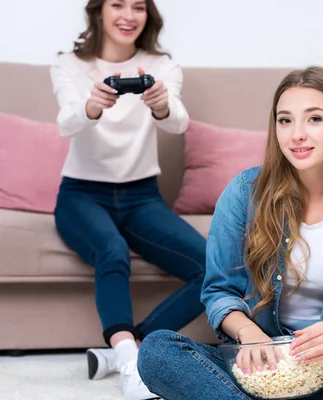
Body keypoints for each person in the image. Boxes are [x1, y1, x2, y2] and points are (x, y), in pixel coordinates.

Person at [136, 67, 323, 400]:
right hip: (257, 368)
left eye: (314, 119)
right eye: (285, 120)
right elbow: (219, 291)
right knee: (157, 349)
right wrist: (249, 333)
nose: (296, 134)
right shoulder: (244, 192)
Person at [50, 0, 206, 398]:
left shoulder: (161, 64)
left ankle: (127, 349)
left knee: (212, 268)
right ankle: (130, 364)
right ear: (98, 11)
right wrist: (91, 105)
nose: (127, 15)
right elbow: (66, 122)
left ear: (147, 15)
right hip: (81, 194)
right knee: (111, 250)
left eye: (138, 6)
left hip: (141, 196)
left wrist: (161, 104)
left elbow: (180, 121)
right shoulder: (69, 63)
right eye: (117, 4)